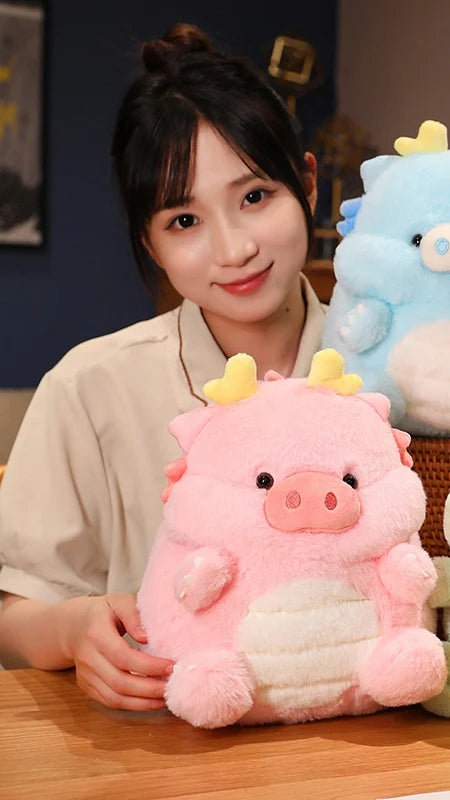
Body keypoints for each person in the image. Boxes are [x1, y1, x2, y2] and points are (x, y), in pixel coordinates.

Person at [0, 23, 323, 712]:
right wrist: (72, 628)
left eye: (256, 196)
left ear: (309, 186)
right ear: (148, 240)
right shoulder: (90, 388)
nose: (233, 249)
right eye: (184, 221)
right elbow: (13, 616)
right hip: (164, 747)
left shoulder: (399, 370)